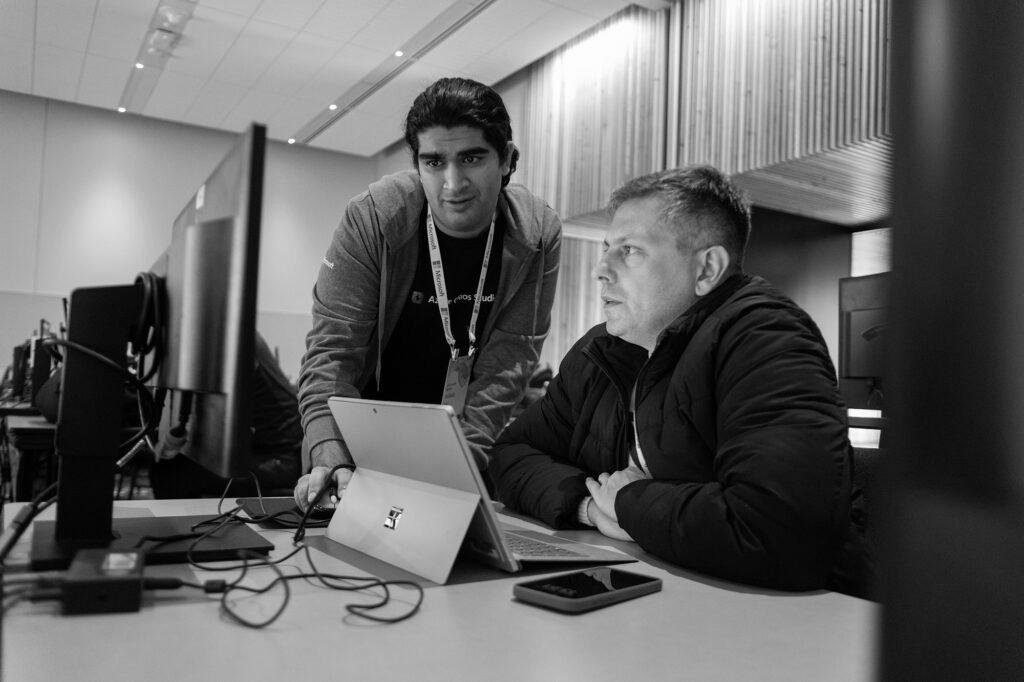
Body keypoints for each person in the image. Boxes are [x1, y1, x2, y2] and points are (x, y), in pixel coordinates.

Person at [489, 165, 868, 593]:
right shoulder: (602, 349)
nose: (601, 270)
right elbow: (509, 455)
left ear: (707, 269)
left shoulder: (767, 338)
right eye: (606, 248)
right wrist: (591, 508)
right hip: (665, 594)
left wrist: (629, 503)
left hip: (794, 621)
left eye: (629, 251)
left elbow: (778, 531)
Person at [295, 77, 562, 511]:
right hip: (361, 434)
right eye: (434, 162)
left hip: (455, 438)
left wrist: (457, 472)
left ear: (508, 159)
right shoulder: (375, 217)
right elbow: (333, 351)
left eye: (472, 157)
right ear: (418, 164)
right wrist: (329, 451)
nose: (453, 184)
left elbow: (509, 364)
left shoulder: (536, 234)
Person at [150, 333, 303, 498]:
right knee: (171, 468)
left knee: (172, 474)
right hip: (264, 452)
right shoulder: (227, 335)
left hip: (279, 460)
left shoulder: (233, 342)